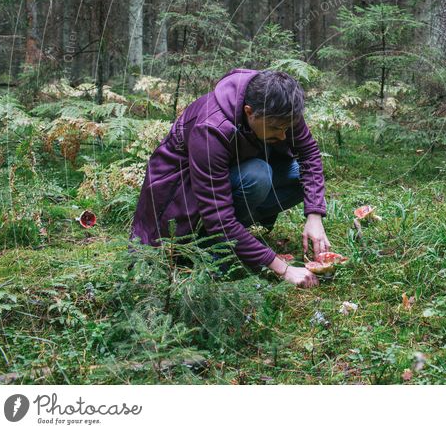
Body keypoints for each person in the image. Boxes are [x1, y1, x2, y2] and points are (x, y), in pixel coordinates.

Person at [130, 68, 329, 288]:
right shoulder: (210, 128)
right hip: (184, 191)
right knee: (258, 175)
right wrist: (283, 269)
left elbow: (309, 154)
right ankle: (210, 246)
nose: (283, 136)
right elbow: (218, 217)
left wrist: (314, 215)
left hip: (230, 176)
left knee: (297, 174)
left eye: (287, 128)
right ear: (249, 111)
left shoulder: (281, 107)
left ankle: (241, 234)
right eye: (275, 128)